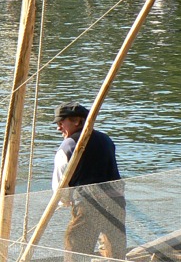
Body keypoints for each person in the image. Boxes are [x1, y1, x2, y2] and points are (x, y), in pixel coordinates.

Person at [52, 103, 126, 260]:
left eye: (61, 122)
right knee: (114, 246)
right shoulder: (106, 139)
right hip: (116, 200)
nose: (58, 128)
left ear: (77, 121)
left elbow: (60, 184)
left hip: (88, 204)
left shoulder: (68, 146)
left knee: (76, 246)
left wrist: (64, 201)